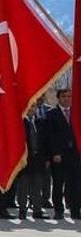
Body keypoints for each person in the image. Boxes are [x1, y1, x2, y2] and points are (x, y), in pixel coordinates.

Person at [44, 88, 80, 219]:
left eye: (69, 96)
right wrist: (55, 153)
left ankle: (75, 210)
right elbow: (50, 136)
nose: (67, 99)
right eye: (64, 96)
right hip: (59, 155)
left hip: (75, 155)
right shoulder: (51, 114)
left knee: (75, 184)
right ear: (58, 98)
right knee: (58, 183)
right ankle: (58, 210)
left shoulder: (76, 112)